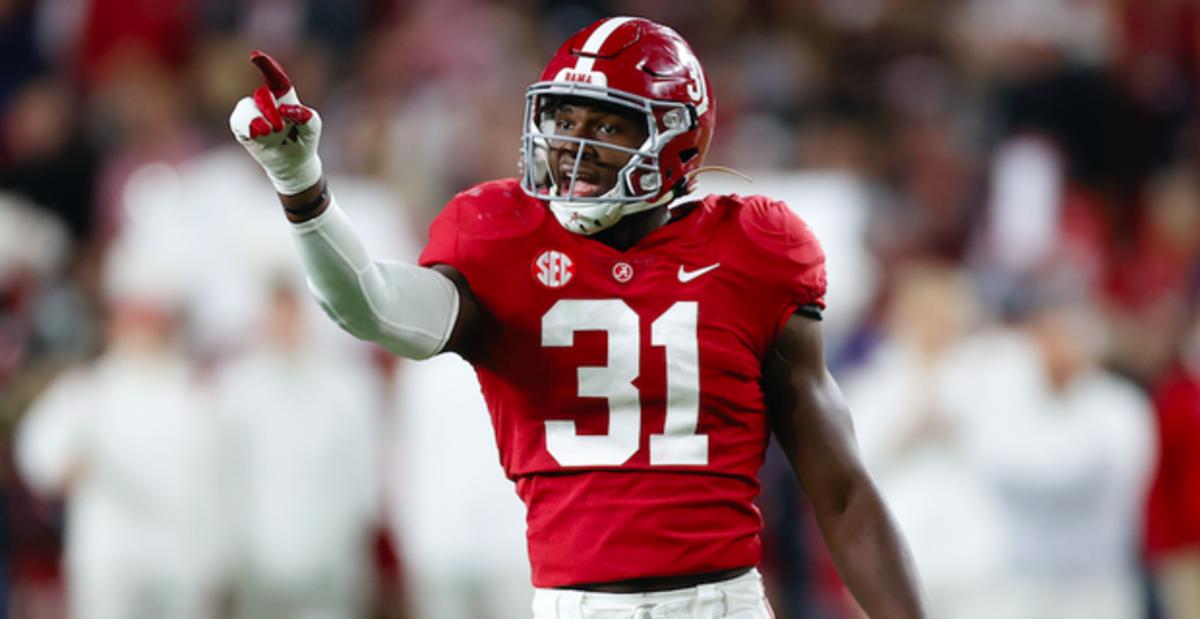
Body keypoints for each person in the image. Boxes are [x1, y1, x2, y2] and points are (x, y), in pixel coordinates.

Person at [230, 17, 924, 618]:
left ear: (677, 139)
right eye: (563, 119)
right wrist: (302, 186)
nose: (573, 144)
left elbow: (838, 486)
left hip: (721, 601)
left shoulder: (754, 249)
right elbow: (372, 306)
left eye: (607, 124)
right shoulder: (499, 236)